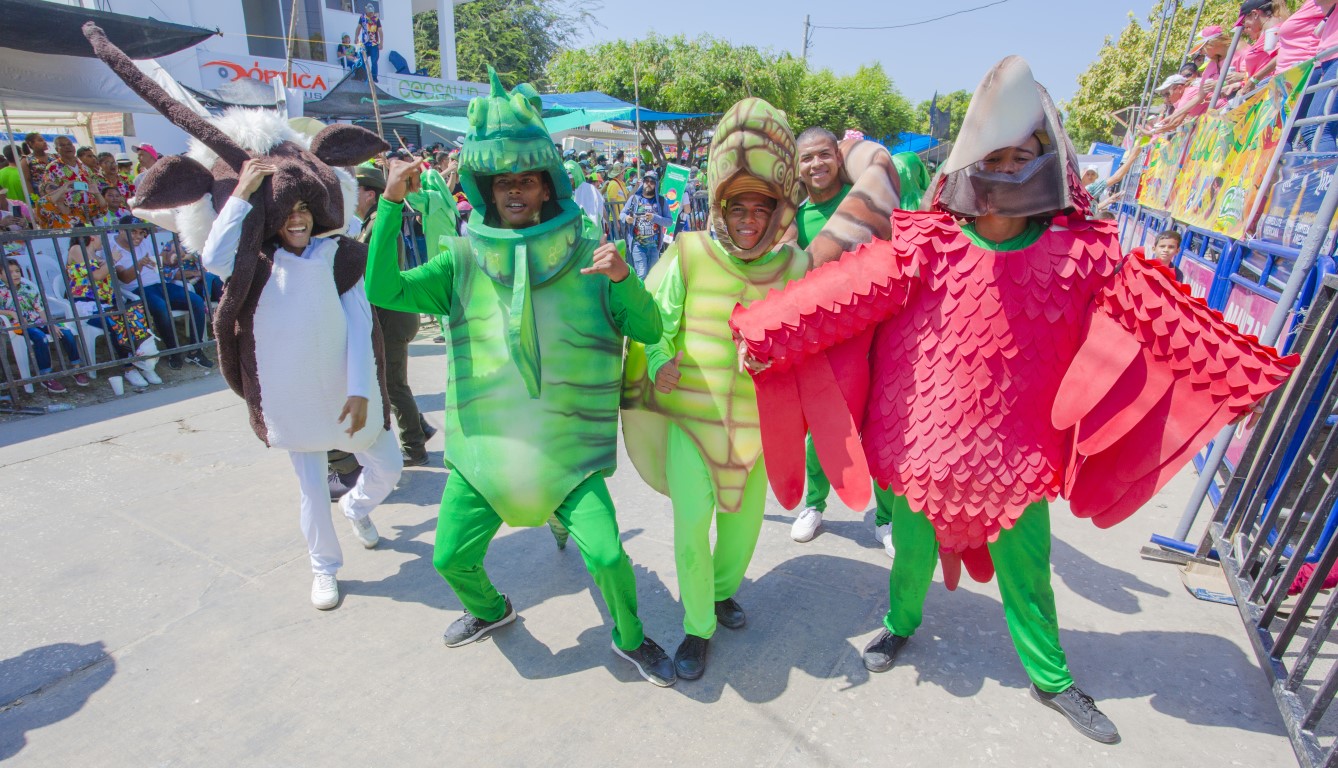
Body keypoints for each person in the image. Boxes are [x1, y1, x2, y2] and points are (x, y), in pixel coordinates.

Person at [730, 56, 1296, 745]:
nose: (1006, 168)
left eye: (1023, 154)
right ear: (968, 161)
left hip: (1017, 464)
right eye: (993, 154)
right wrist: (763, 333)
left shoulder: (1084, 253)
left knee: (1030, 576)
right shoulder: (923, 243)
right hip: (917, 454)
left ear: (1047, 161)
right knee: (908, 559)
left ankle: (1051, 676)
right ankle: (901, 625)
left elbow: (1164, 318)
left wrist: (1242, 376)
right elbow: (837, 299)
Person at [363, 69, 677, 687]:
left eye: (526, 179)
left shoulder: (589, 250)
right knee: (450, 557)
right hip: (486, 454)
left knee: (611, 557)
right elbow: (384, 288)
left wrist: (623, 280)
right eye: (501, 180)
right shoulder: (459, 257)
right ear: (485, 187)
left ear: (545, 185)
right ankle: (492, 611)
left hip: (567, 455)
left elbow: (647, 327)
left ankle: (631, 638)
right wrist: (391, 205)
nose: (514, 190)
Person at [622, 98, 815, 680]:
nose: (749, 218)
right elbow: (658, 324)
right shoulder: (688, 254)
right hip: (692, 428)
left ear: (778, 211)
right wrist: (659, 361)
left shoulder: (797, 268)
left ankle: (722, 591)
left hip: (759, 431)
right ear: (721, 207)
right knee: (689, 531)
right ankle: (696, 627)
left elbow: (812, 341)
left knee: (741, 531)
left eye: (762, 207)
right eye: (738, 206)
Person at [201, 158, 404, 610]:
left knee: (389, 465)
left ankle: (355, 507)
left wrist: (358, 390)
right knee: (311, 488)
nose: (297, 217)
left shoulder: (340, 256)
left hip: (348, 391)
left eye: (304, 207)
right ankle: (324, 569)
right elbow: (213, 259)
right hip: (293, 395)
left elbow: (359, 325)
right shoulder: (256, 263)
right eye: (286, 209)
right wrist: (242, 192)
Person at [354, 164, 431, 466]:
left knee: (393, 385)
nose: (352, 196)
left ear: (370, 193)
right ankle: (420, 429)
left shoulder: (376, 225)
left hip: (391, 317)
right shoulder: (369, 224)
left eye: (356, 190)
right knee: (390, 382)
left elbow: (373, 274)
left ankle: (415, 447)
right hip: (388, 317)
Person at [108, 218, 212, 371]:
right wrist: (140, 264)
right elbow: (124, 277)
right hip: (137, 289)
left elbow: (161, 261)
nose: (138, 236)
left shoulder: (146, 242)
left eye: (141, 233)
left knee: (196, 301)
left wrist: (170, 257)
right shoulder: (113, 248)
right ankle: (173, 351)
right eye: (133, 232)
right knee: (160, 307)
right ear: (122, 230)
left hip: (160, 284)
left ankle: (195, 350)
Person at [65, 234, 160, 389]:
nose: (103, 238)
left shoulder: (97, 256)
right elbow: (96, 275)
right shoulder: (76, 249)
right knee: (116, 325)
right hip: (87, 305)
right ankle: (128, 368)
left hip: (107, 303)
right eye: (99, 235)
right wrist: (112, 260)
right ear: (92, 237)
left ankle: (144, 363)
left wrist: (109, 260)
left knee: (136, 319)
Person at [1, 257, 91, 392]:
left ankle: (76, 368)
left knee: (66, 332)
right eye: (10, 272)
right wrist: (10, 313)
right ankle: (46, 376)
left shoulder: (28, 288)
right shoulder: (1, 291)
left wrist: (50, 324)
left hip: (37, 321)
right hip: (19, 326)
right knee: (40, 337)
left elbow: (40, 309)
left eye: (17, 271)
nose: (15, 274)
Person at [37, 136, 105, 229]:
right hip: (62, 213)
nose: (67, 147)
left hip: (86, 212)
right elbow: (48, 190)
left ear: (74, 147)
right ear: (57, 150)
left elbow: (101, 202)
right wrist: (63, 190)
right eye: (62, 145)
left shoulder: (84, 167)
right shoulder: (53, 167)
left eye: (69, 144)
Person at [621, 172, 671, 278]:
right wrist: (627, 218)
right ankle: (640, 295)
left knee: (653, 276)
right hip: (638, 245)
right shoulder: (634, 199)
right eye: (646, 181)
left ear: (656, 184)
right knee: (642, 273)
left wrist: (655, 218)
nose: (649, 184)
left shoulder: (661, 201)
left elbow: (669, 222)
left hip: (654, 246)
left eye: (652, 182)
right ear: (643, 183)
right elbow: (622, 214)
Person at [355, 5, 383, 82]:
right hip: (364, 43)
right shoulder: (362, 18)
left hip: (374, 44)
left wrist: (381, 43)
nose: (371, 14)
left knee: (374, 61)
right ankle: (364, 76)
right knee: (363, 59)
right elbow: (358, 28)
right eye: (370, 12)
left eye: (372, 12)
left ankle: (374, 78)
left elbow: (380, 31)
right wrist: (356, 37)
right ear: (366, 11)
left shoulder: (376, 19)